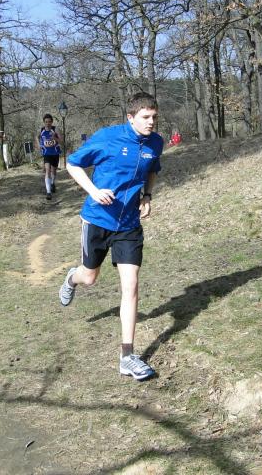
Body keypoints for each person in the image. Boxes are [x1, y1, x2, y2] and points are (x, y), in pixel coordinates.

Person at [59, 92, 163, 381]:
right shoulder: (108, 137)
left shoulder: (155, 142)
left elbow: (152, 170)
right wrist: (93, 191)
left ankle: (127, 356)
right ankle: (72, 278)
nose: (151, 122)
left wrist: (147, 195)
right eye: (145, 117)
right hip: (98, 220)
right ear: (130, 117)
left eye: (154, 117)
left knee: (131, 285)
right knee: (89, 278)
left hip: (129, 225)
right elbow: (73, 163)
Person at [37, 113, 62, 200]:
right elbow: (37, 137)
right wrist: (39, 145)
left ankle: (52, 183)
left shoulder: (55, 129)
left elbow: (61, 141)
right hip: (46, 153)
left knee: (53, 171)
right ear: (44, 122)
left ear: (52, 122)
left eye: (49, 122)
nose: (48, 123)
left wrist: (55, 138)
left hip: (55, 153)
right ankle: (48, 192)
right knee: (47, 170)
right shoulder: (41, 130)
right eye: (46, 122)